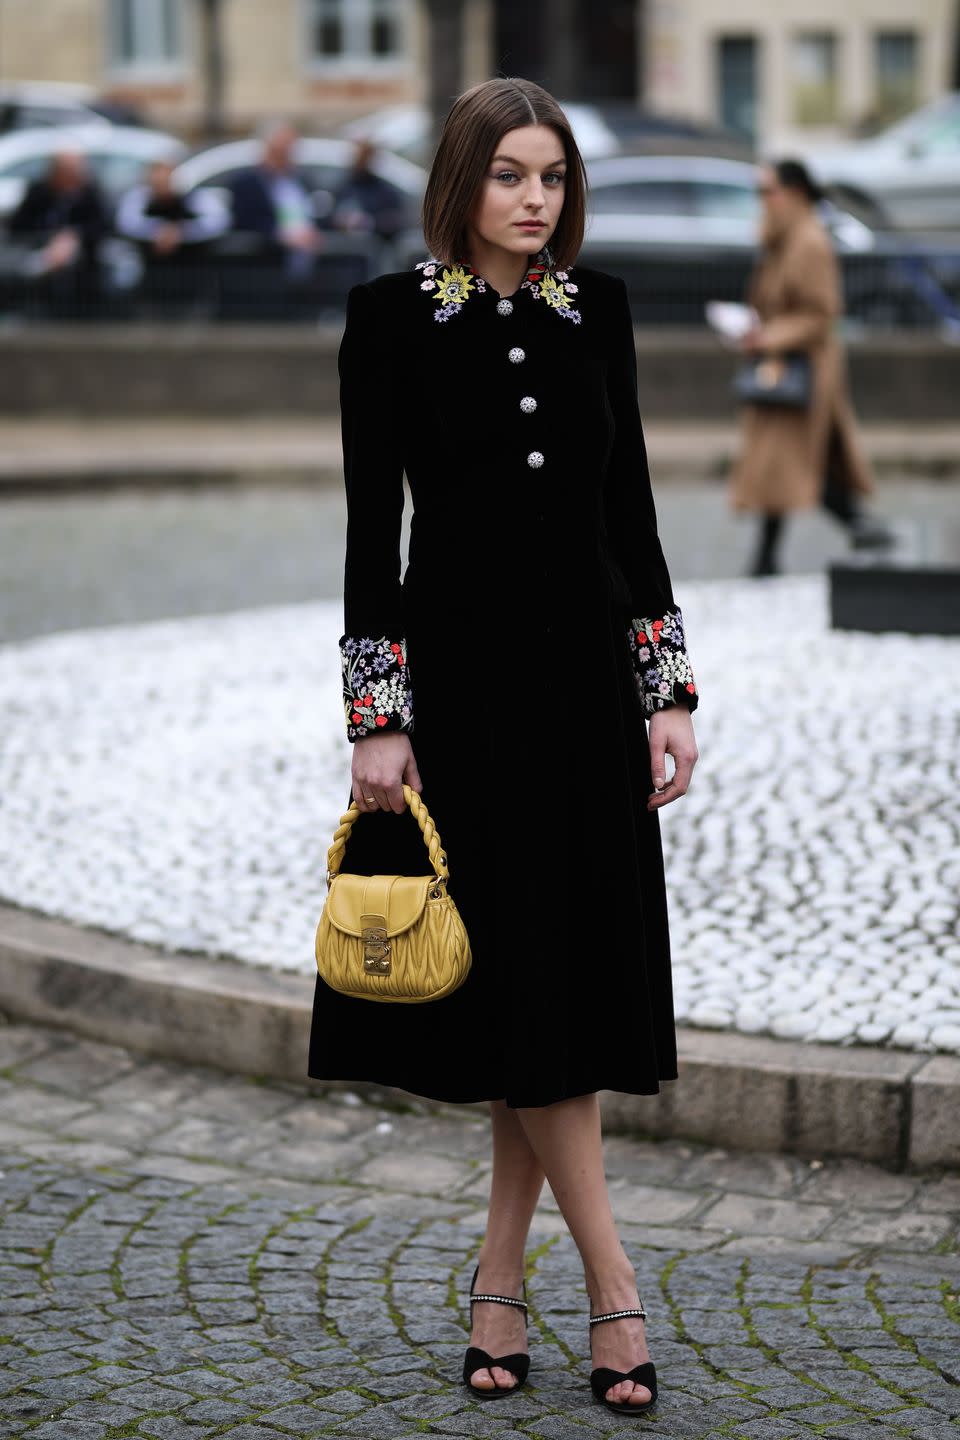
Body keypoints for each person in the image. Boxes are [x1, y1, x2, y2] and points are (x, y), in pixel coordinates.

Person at [307, 77, 699, 1416]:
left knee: (558, 987)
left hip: (591, 695)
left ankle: (494, 1274)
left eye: (555, 177)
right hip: (465, 703)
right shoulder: (387, 323)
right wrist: (378, 718)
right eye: (513, 175)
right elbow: (373, 539)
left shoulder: (602, 314)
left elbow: (631, 511)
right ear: (462, 183)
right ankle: (613, 1282)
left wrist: (668, 688)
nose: (538, 199)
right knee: (523, 988)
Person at [730, 158, 893, 576]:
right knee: (789, 462)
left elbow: (821, 315)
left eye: (769, 191)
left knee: (792, 461)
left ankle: (850, 529)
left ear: (796, 193)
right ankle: (849, 531)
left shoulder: (808, 243)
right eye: (759, 192)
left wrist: (768, 337)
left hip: (803, 370)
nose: (763, 201)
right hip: (785, 368)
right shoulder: (784, 238)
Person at [115, 156, 227, 315]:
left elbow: (218, 221)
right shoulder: (140, 199)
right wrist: (158, 231)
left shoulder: (193, 198)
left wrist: (180, 232)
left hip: (191, 282)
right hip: (151, 284)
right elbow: (126, 222)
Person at [7, 150, 107, 317]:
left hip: (83, 263)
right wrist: (49, 240)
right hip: (39, 254)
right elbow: (18, 227)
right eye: (68, 170)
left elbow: (102, 226)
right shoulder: (38, 191)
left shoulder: (91, 193)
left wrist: (73, 237)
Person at [226, 119, 321, 282]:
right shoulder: (246, 182)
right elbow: (243, 219)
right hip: (261, 270)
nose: (288, 153)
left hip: (303, 269)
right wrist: (280, 236)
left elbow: (313, 212)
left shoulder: (301, 180)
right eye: (282, 148)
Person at [327, 138, 407, 243]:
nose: (360, 160)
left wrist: (369, 222)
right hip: (343, 252)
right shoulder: (342, 187)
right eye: (358, 156)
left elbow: (396, 221)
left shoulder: (384, 191)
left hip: (375, 252)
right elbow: (327, 218)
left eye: (364, 156)